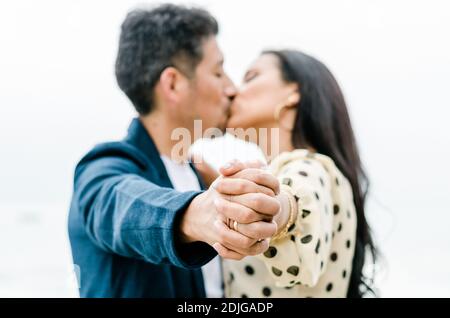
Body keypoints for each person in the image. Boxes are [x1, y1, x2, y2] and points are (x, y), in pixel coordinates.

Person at [68, 4, 280, 298]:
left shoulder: (201, 176)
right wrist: (198, 215)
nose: (232, 88)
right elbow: (121, 206)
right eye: (218, 72)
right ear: (173, 83)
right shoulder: (103, 168)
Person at [198, 50, 377, 297]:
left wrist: (277, 209)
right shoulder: (303, 171)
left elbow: (296, 202)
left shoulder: (312, 167)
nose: (233, 91)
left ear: (294, 93)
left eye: (251, 77)